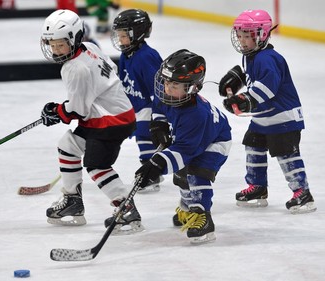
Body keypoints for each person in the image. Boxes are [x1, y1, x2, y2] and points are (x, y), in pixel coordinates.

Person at [40, 9, 143, 234]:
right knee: (68, 145)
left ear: (75, 39)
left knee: (97, 165)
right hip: (116, 113)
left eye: (61, 45)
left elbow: (79, 109)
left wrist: (58, 112)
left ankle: (126, 208)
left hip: (110, 121)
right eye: (52, 45)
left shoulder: (73, 68)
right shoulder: (90, 48)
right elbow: (111, 70)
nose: (56, 50)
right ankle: (72, 202)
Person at [219, 9, 316, 214]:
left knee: (286, 155)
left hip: (283, 116)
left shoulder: (267, 58)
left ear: (262, 35)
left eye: (248, 36)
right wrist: (237, 85)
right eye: (240, 35)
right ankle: (258, 187)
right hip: (264, 117)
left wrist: (245, 99)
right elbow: (253, 80)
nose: (243, 41)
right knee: (253, 147)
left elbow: (268, 87)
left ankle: (302, 192)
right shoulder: (251, 56)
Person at [133, 49, 232, 243]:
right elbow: (160, 107)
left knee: (196, 172)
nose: (167, 89)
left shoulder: (195, 115)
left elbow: (185, 151)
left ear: (192, 88)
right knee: (181, 176)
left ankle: (203, 217)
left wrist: (156, 165)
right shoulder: (171, 96)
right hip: (193, 139)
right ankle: (187, 208)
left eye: (175, 85)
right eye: (166, 82)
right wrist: (159, 124)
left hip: (215, 141)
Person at [111, 9, 163, 192]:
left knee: (143, 134)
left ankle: (151, 174)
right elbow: (124, 81)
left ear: (138, 33)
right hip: (136, 104)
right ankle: (151, 170)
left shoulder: (146, 57)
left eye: (124, 35)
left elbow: (159, 88)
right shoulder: (126, 55)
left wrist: (159, 113)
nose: (120, 39)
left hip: (150, 105)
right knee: (140, 135)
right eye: (119, 35)